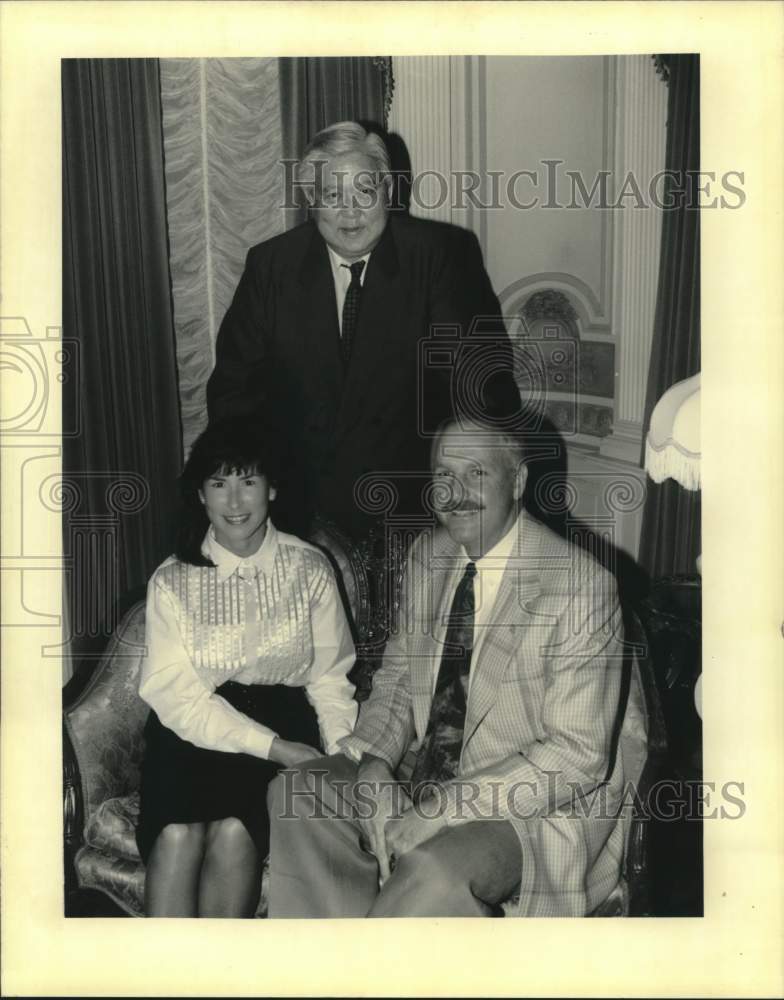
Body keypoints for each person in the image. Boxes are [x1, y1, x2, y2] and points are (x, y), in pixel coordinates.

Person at [266, 416, 648, 918]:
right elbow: (401, 678)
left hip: (527, 806)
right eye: (444, 475)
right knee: (298, 793)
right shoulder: (429, 555)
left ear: (518, 482)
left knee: (432, 869)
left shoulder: (580, 586)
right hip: (424, 766)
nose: (455, 493)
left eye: (476, 474)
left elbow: (577, 757)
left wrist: (443, 810)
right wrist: (377, 763)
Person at [206, 120, 519, 538]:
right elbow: (233, 398)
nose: (350, 211)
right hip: (299, 516)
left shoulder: (439, 257)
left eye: (364, 191)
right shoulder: (271, 267)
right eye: (333, 195)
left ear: (388, 192)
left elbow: (479, 395)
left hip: (415, 516)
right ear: (311, 200)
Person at [135, 419, 357, 917]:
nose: (234, 502)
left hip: (283, 721)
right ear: (200, 494)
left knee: (235, 834)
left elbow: (329, 679)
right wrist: (276, 748)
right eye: (219, 484)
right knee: (175, 836)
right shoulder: (172, 580)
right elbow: (177, 696)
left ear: (272, 488)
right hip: (191, 729)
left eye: (249, 481)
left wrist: (343, 759)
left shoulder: (311, 569)